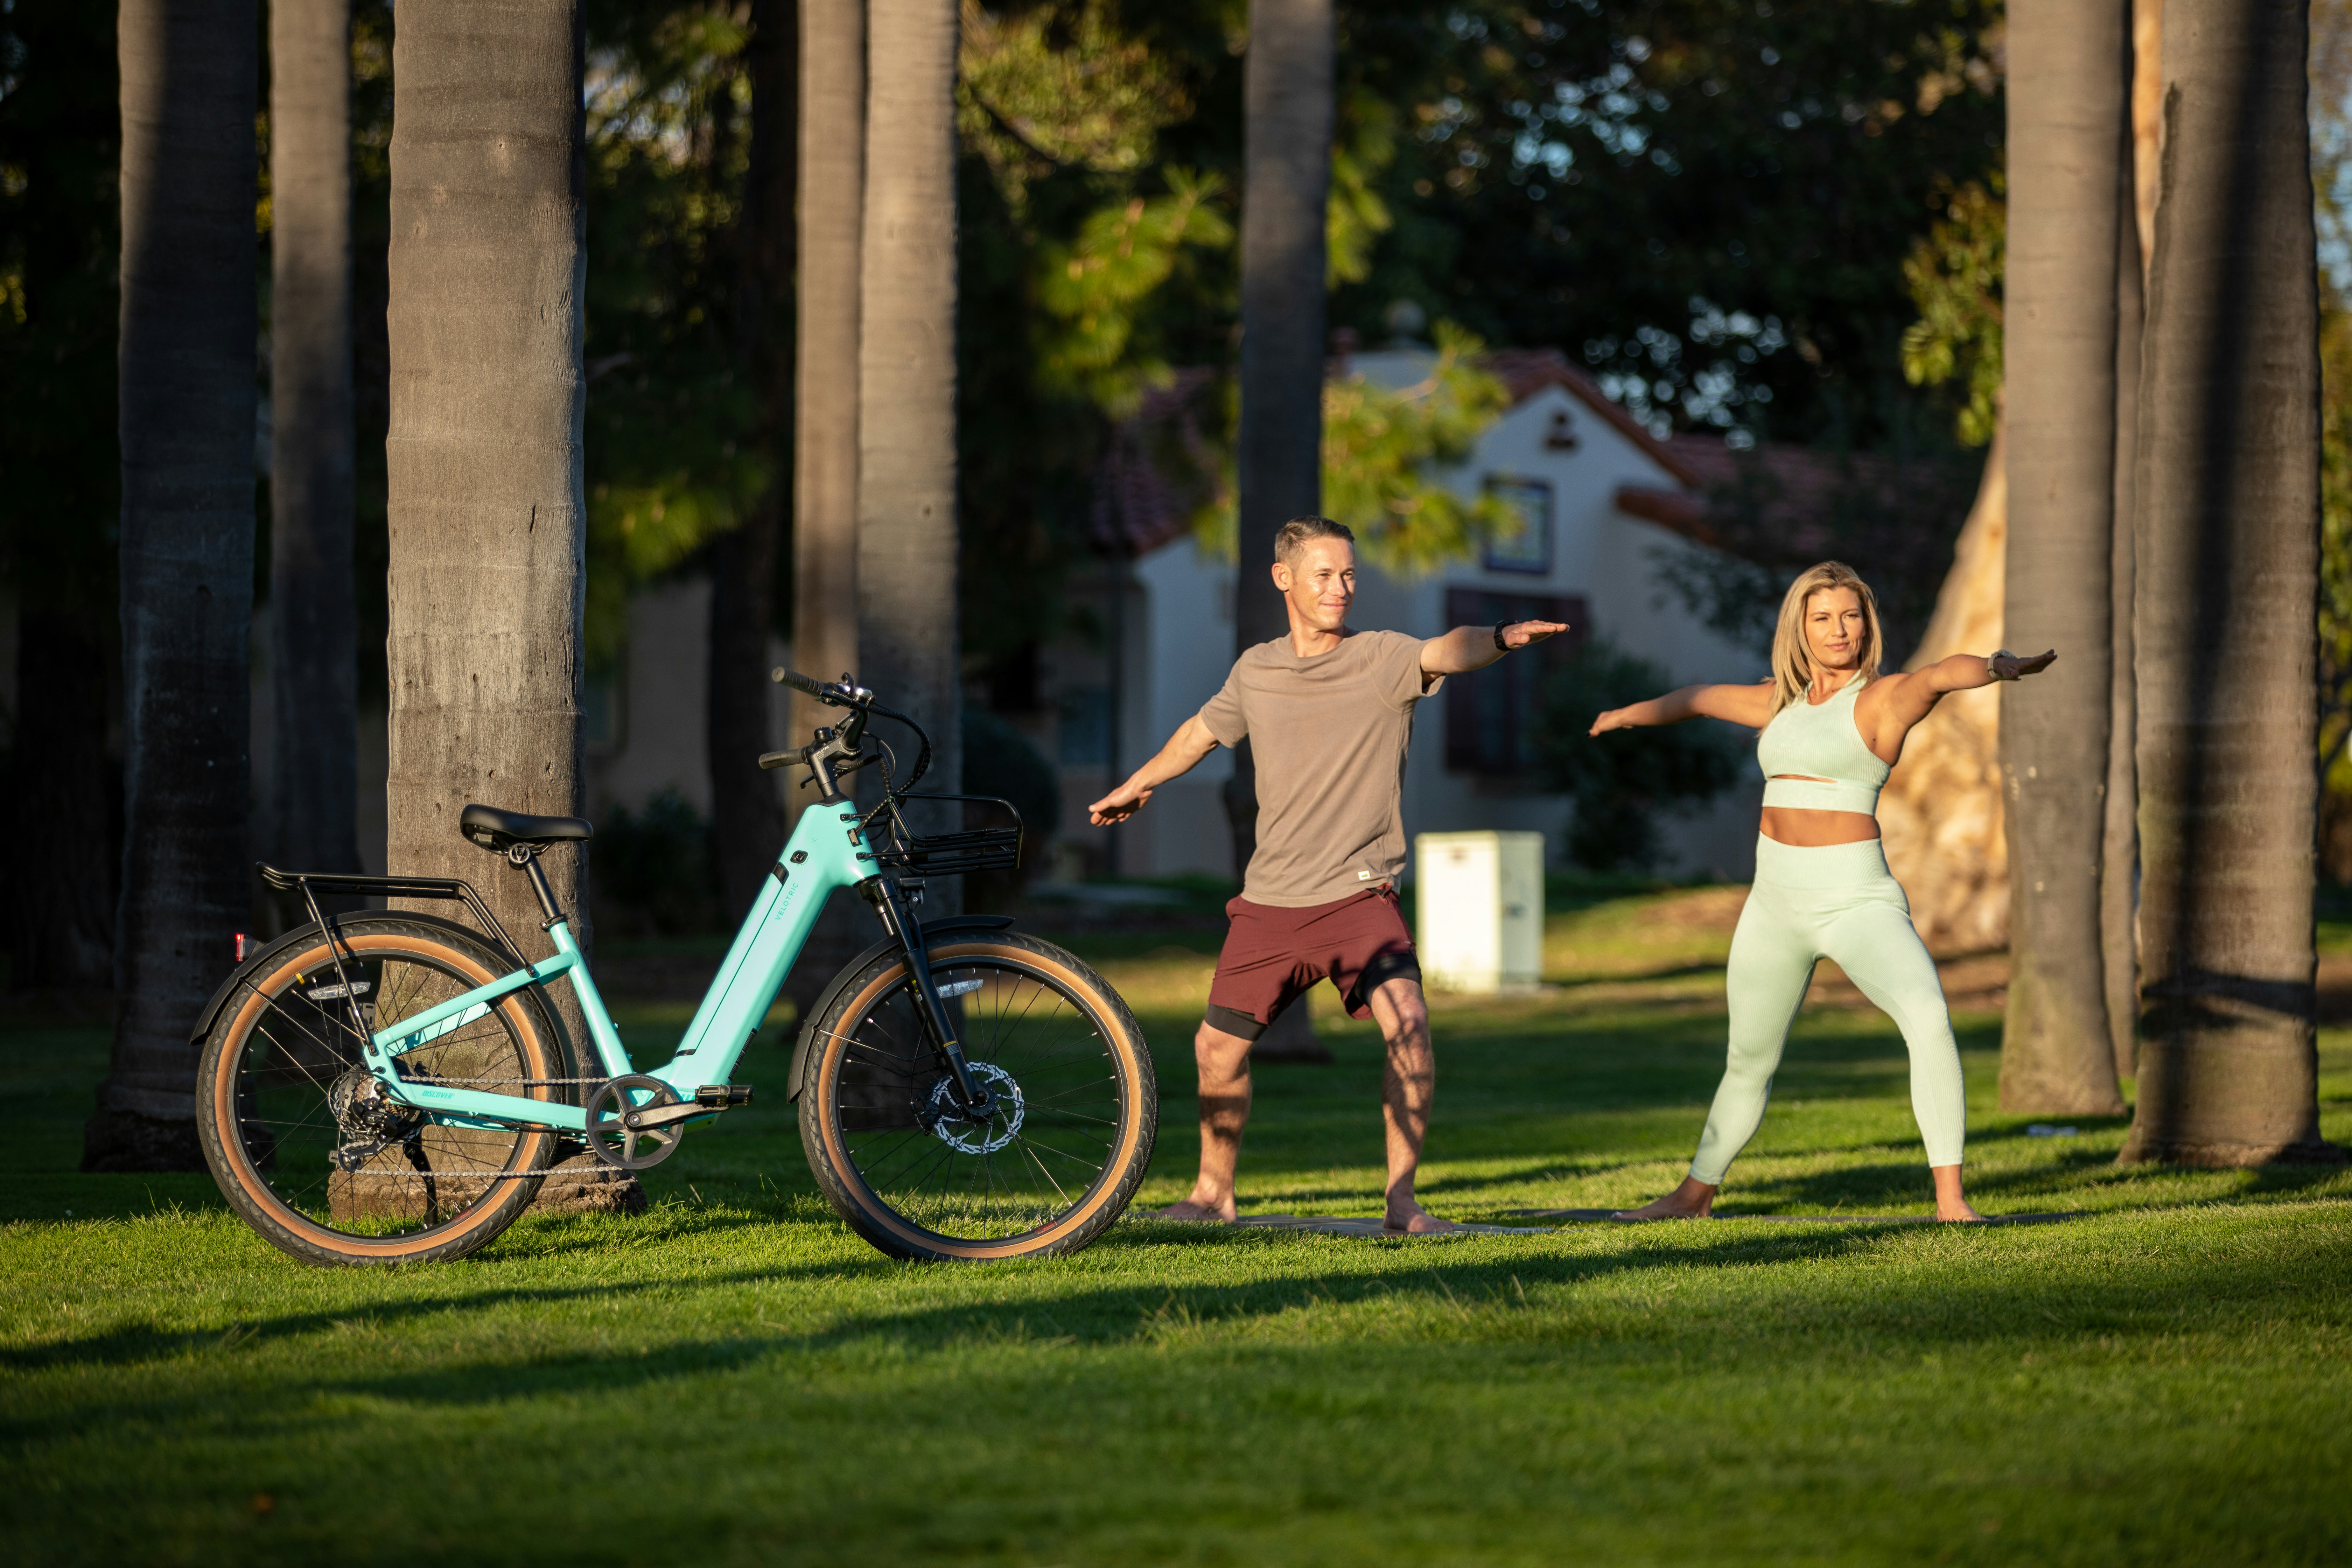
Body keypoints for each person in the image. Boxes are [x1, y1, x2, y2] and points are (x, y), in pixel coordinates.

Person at [1087, 516, 1567, 1233]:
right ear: (1284, 577)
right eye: (1324, 574)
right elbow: (1200, 730)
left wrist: (1499, 638)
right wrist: (1139, 782)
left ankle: (1402, 1201)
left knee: (1408, 1023)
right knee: (1215, 1049)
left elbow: (1448, 649)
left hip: (1357, 895)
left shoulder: (1381, 657)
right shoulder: (1256, 669)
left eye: (1349, 575)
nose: (1341, 588)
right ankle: (1212, 1193)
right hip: (1270, 904)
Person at [1590, 560, 2053, 1223]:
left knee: (1927, 1019)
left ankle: (1952, 1201)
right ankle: (1693, 1197)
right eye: (1822, 618)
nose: (1839, 630)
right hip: (1773, 903)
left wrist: (1996, 664)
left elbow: (1939, 675)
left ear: (1867, 624)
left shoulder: (1883, 700)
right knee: (1747, 1059)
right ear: (1799, 630)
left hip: (1855, 900)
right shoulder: (1775, 702)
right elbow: (1695, 698)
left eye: (1850, 616)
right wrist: (1624, 716)